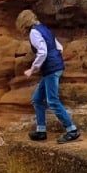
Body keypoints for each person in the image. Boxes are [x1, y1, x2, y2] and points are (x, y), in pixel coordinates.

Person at [16, 9, 81, 143]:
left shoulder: (34, 32)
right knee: (37, 99)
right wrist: (55, 60)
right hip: (54, 67)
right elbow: (59, 47)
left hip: (51, 69)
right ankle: (41, 131)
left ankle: (72, 130)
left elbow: (43, 52)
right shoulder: (44, 29)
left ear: (23, 23)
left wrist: (33, 68)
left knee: (52, 100)